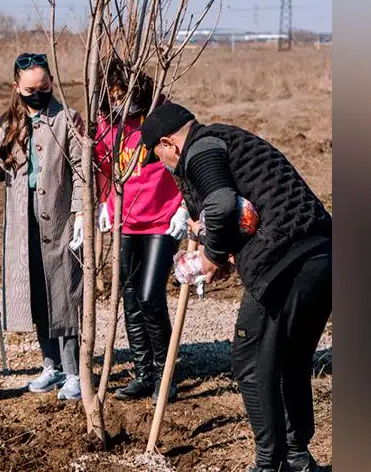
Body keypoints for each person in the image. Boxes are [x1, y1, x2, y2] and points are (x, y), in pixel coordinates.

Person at [139, 102, 332, 472]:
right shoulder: (227, 141)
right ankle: (296, 458)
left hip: (287, 263)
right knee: (289, 360)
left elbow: (224, 203)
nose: (162, 165)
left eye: (158, 156)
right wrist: (225, 252)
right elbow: (246, 212)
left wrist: (209, 257)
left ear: (169, 143)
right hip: (322, 256)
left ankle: (268, 464)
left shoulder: (202, 148)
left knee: (250, 361)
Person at [0, 52, 85, 400]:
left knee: (64, 294)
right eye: (30, 89)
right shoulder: (9, 123)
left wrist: (80, 216)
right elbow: (4, 173)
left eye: (44, 87)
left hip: (59, 220)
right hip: (21, 221)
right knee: (33, 293)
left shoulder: (67, 120)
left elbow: (81, 172)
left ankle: (74, 371)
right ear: (17, 87)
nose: (38, 93)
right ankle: (52, 366)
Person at [93, 58, 188, 404]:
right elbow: (103, 166)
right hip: (126, 221)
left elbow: (186, 159)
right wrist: (105, 202)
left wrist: (185, 206)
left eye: (126, 95)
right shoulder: (105, 123)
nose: (121, 103)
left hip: (162, 219)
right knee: (130, 297)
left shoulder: (162, 115)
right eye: (114, 96)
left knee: (150, 295)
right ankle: (143, 372)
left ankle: (166, 375)